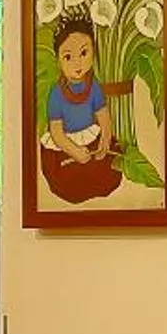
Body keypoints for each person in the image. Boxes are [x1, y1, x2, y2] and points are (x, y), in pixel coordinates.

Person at [40, 11, 122, 202]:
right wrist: (74, 150)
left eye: (84, 53)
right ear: (58, 60)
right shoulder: (57, 94)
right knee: (68, 177)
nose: (77, 63)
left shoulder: (93, 87)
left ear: (93, 52)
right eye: (68, 57)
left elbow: (103, 117)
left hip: (90, 137)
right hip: (65, 147)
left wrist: (104, 140)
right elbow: (57, 133)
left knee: (107, 170)